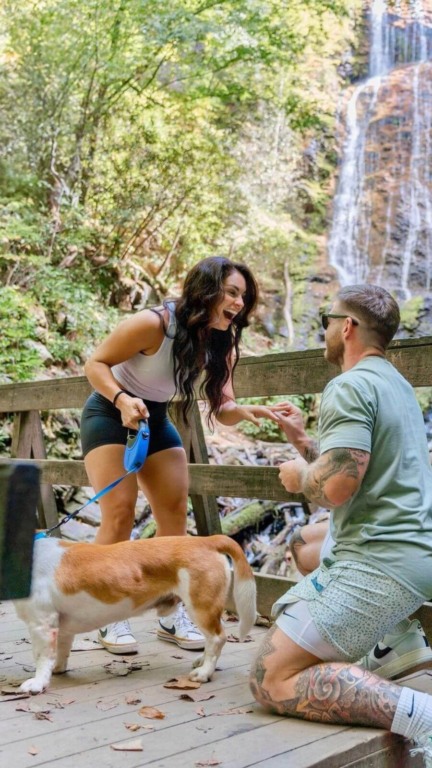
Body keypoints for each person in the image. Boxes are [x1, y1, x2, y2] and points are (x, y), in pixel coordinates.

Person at [249, 284, 432, 762]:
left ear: (346, 327)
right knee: (308, 544)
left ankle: (424, 716)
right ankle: (396, 640)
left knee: (269, 677)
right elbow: (351, 466)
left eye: (327, 322)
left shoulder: (348, 385)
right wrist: (303, 443)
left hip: (381, 559)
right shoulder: (393, 383)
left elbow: (335, 486)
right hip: (410, 546)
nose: (326, 331)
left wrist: (296, 477)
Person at [81, 256, 285, 655]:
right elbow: (96, 363)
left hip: (155, 418)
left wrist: (246, 411)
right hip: (109, 412)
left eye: (243, 296)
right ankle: (107, 615)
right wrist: (122, 400)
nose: (239, 303)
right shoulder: (153, 323)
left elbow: (223, 407)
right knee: (119, 513)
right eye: (231, 292)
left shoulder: (220, 339)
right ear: (205, 290)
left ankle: (170, 612)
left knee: (174, 512)